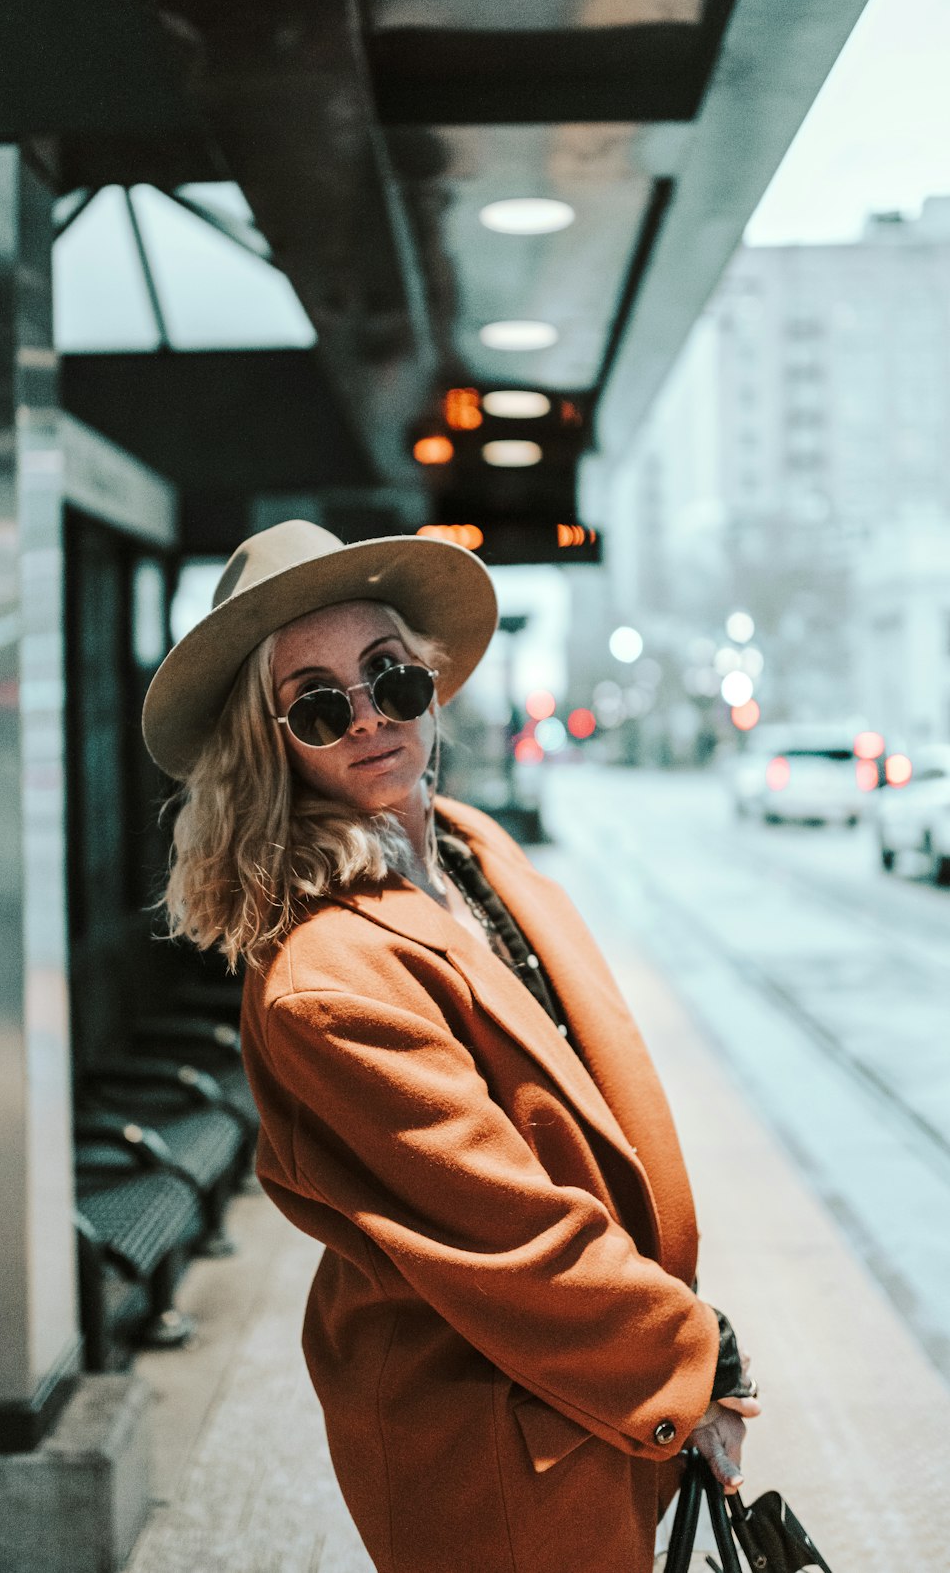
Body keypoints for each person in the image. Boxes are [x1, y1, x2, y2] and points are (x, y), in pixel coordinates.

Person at [142, 519, 759, 1573]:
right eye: (320, 705)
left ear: (430, 680)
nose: (371, 718)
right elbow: (502, 1232)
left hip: (583, 1384)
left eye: (392, 678)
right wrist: (690, 1355)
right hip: (498, 1442)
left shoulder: (471, 847)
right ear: (269, 745)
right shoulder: (326, 979)